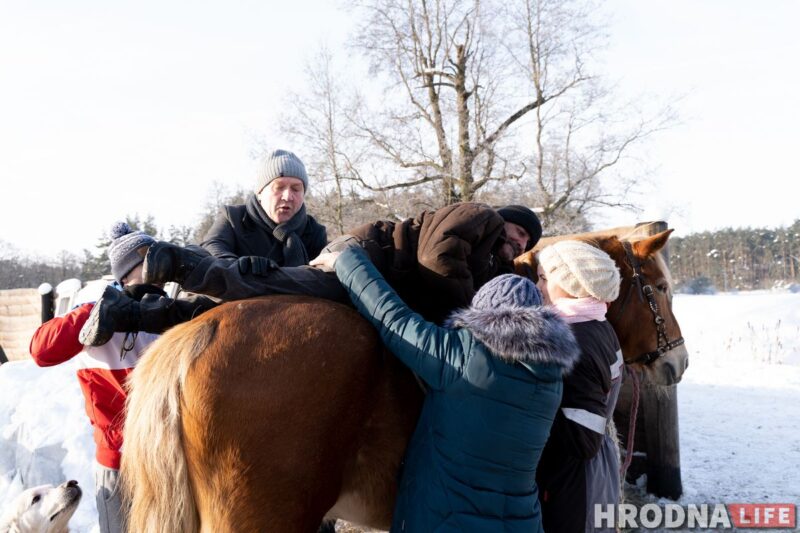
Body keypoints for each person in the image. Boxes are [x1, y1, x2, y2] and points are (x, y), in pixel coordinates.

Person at [312, 246, 579, 532]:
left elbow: (394, 319)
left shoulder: (462, 356)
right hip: (522, 521)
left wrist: (347, 261)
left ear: (484, 314)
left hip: (447, 520)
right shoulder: (552, 378)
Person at [143, 201, 542, 324]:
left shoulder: (496, 266)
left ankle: (166, 314)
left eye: (525, 240)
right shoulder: (480, 217)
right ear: (503, 219)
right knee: (297, 287)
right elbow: (436, 256)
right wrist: (467, 311)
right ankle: (186, 265)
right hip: (369, 256)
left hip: (382, 285)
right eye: (518, 230)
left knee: (278, 314)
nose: (518, 240)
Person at [80, 149, 325, 346]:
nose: (287, 196)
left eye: (296, 189)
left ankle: (146, 298)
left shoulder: (314, 232)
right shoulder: (233, 217)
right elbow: (212, 247)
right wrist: (238, 266)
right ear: (260, 192)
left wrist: (256, 277)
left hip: (288, 312)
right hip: (232, 304)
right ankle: (128, 312)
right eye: (279, 187)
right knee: (204, 296)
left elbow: (316, 281)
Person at [29, 224, 164, 533]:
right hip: (118, 462)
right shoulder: (99, 312)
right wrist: (98, 312)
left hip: (168, 460)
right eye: (150, 261)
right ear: (127, 272)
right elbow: (40, 350)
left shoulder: (172, 310)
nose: (161, 268)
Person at [533, 240, 623, 533]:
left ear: (570, 284)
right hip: (594, 473)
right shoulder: (599, 323)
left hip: (572, 487)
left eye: (545, 278)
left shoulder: (573, 341)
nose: (537, 285)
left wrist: (531, 406)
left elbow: (582, 439)